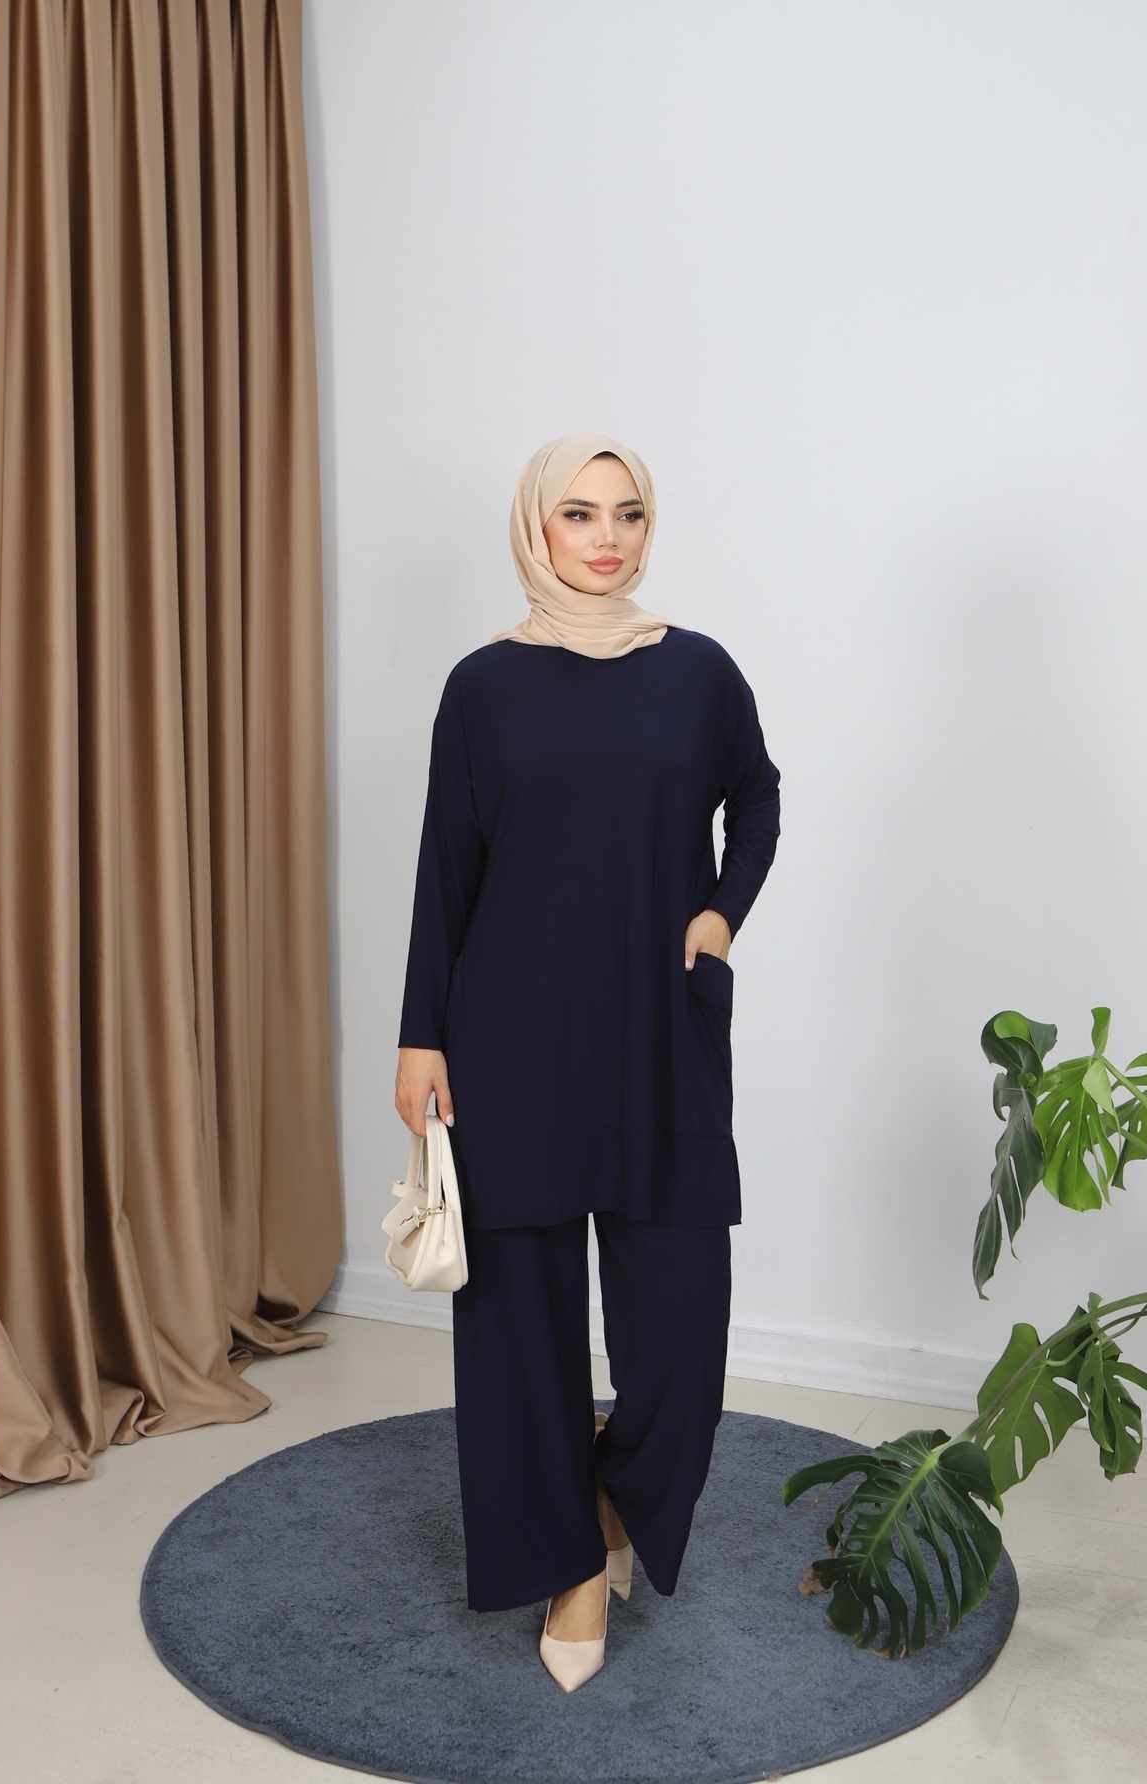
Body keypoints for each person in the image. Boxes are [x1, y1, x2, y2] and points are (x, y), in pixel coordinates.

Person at [394, 432, 780, 1692]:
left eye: (628, 514)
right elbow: (447, 869)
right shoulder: (483, 686)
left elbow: (758, 797)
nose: (606, 538)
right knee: (521, 1324)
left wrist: (721, 912)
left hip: (661, 1030)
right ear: (537, 527)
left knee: (682, 1331)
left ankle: (610, 1501)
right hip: (510, 1036)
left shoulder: (699, 673)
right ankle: (566, 1566)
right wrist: (419, 1033)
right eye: (579, 513)